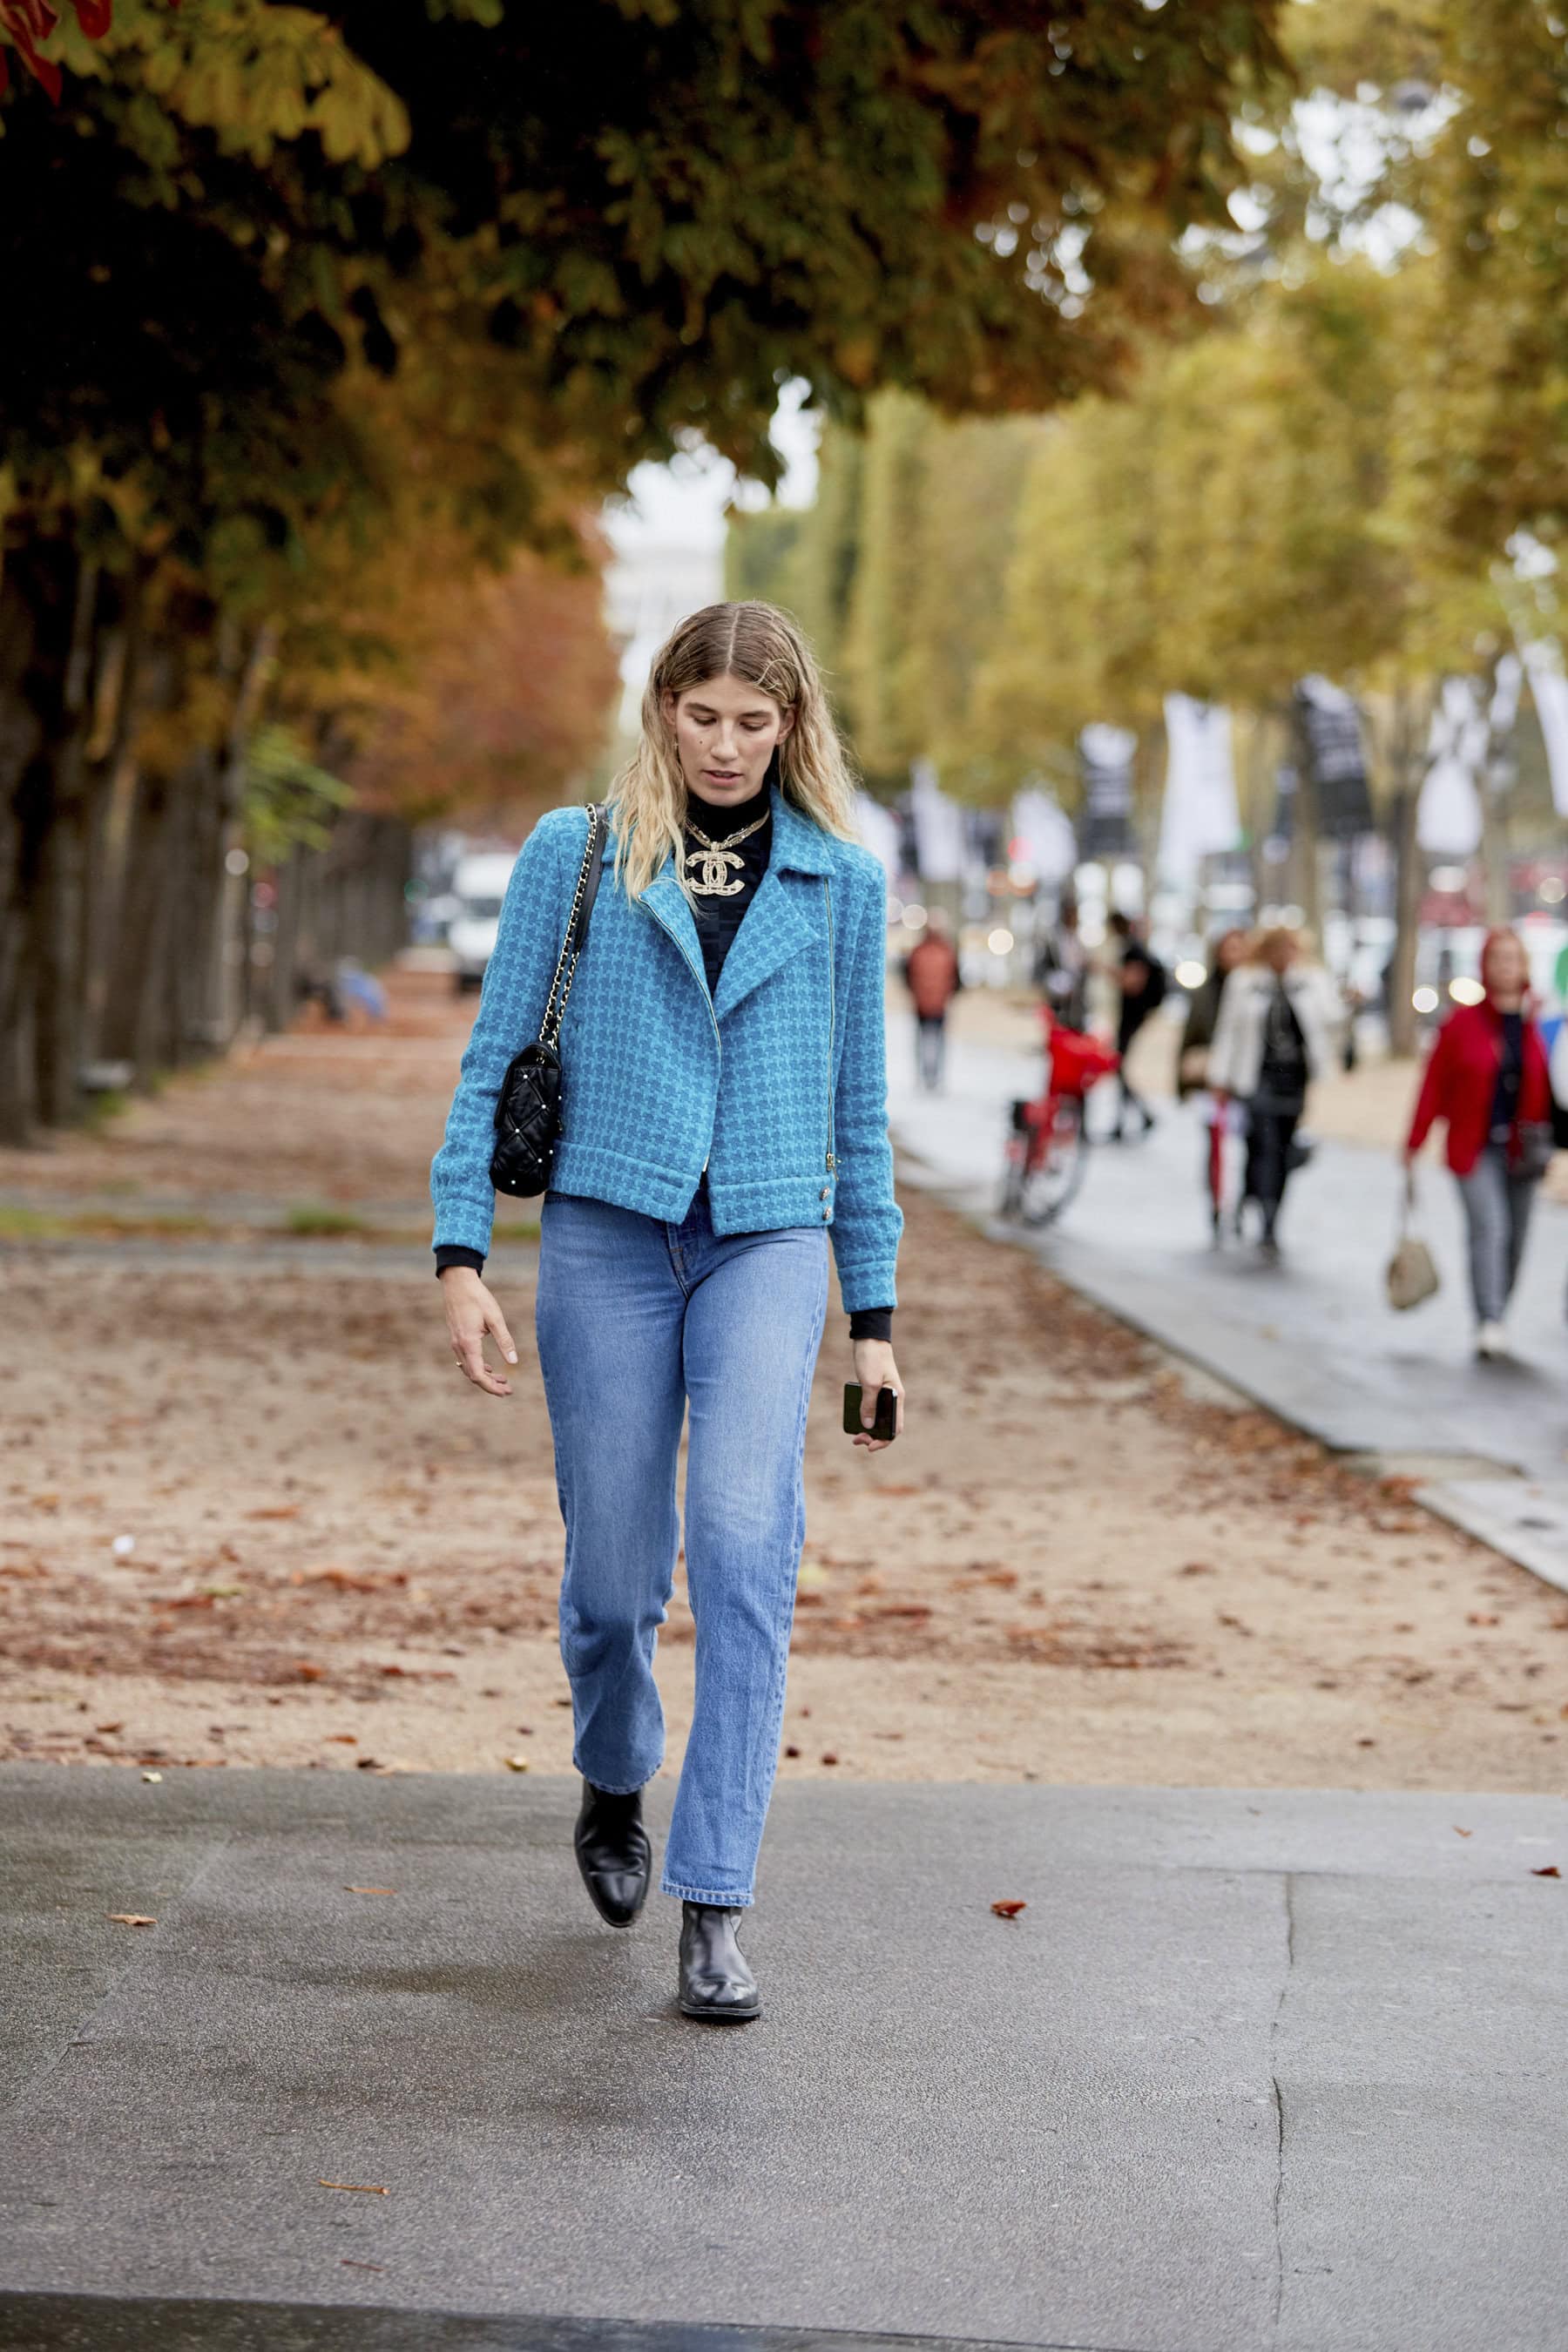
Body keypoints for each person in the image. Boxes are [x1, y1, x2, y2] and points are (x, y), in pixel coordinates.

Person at [430, 602, 903, 2024]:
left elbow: (858, 1115)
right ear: (664, 712)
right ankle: (613, 1770)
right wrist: (462, 1252)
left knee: (749, 1550)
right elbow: (493, 1058)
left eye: (755, 722)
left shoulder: (842, 883)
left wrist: (870, 1315)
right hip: (607, 1233)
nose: (727, 745)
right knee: (616, 1577)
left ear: (793, 727)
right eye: (704, 716)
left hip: (768, 1235)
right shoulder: (575, 856)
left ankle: (717, 1902)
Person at [1403, 925, 1552, 1358]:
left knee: (1518, 1236)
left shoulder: (1538, 1022)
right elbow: (1433, 1084)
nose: (1506, 968)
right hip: (1475, 1146)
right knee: (1490, 1228)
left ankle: (1499, 1309)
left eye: (1513, 959)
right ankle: (1488, 1318)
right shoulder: (1462, 1023)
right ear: (1484, 966)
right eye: (1497, 959)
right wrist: (1414, 1140)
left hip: (1523, 1150)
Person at [1207, 925, 1342, 1258]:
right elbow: (1229, 1031)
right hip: (1256, 1079)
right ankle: (1260, 1206)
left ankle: (1269, 1209)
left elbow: (1331, 1020)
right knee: (1262, 1145)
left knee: (1283, 1148)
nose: (1284, 958)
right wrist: (1220, 1078)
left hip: (1293, 1081)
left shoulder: (1310, 981)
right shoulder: (1245, 982)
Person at [1108, 910, 1167, 1139]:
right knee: (1119, 1068)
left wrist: (1106, 971)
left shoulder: (1133, 950)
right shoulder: (1134, 948)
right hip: (1132, 1015)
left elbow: (1132, 983)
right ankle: (1134, 1117)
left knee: (1119, 1067)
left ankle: (1137, 1116)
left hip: (1132, 1015)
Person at [1175, 928, 1249, 1101]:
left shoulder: (1257, 991)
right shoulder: (1206, 993)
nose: (1235, 956)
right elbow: (1190, 1035)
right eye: (1230, 949)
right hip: (1210, 1075)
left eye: (1240, 949)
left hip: (1246, 1077)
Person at [903, 909, 961, 1090]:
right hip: (940, 1004)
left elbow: (907, 976)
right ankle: (935, 1075)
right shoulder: (948, 951)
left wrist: (914, 993)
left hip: (921, 1004)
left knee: (922, 1039)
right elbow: (958, 979)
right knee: (938, 1040)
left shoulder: (917, 951)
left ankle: (923, 1073)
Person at [1034, 896, 1089, 1030]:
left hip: (1076, 1000)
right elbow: (1043, 968)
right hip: (1059, 998)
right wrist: (1058, 985)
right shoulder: (1054, 941)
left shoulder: (1079, 940)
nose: (1074, 918)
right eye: (1070, 914)